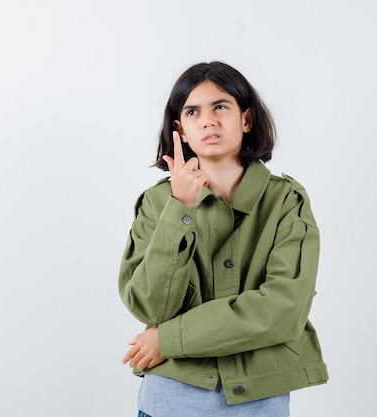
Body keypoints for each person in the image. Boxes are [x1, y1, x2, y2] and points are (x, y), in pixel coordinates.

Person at [118, 61, 328, 417]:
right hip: (169, 401)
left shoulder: (286, 201)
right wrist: (180, 209)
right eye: (192, 111)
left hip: (259, 401)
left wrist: (167, 339)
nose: (208, 120)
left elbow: (283, 311)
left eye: (221, 106)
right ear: (179, 129)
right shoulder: (158, 204)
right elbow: (151, 308)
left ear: (246, 119)